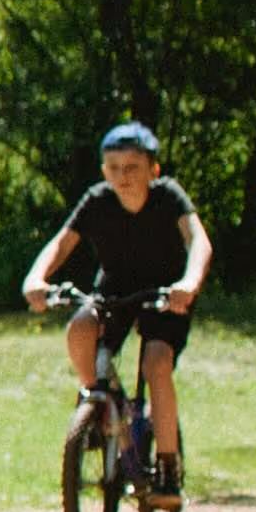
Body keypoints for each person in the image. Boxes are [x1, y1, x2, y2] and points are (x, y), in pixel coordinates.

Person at [17, 119, 213, 491]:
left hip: (166, 294)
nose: (123, 177)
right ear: (104, 170)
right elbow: (61, 243)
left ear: (153, 169)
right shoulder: (97, 201)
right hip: (115, 290)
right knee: (80, 328)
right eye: (114, 168)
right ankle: (97, 406)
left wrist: (189, 284)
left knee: (156, 362)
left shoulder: (168, 196)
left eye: (133, 168)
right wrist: (35, 279)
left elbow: (199, 241)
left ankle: (168, 467)